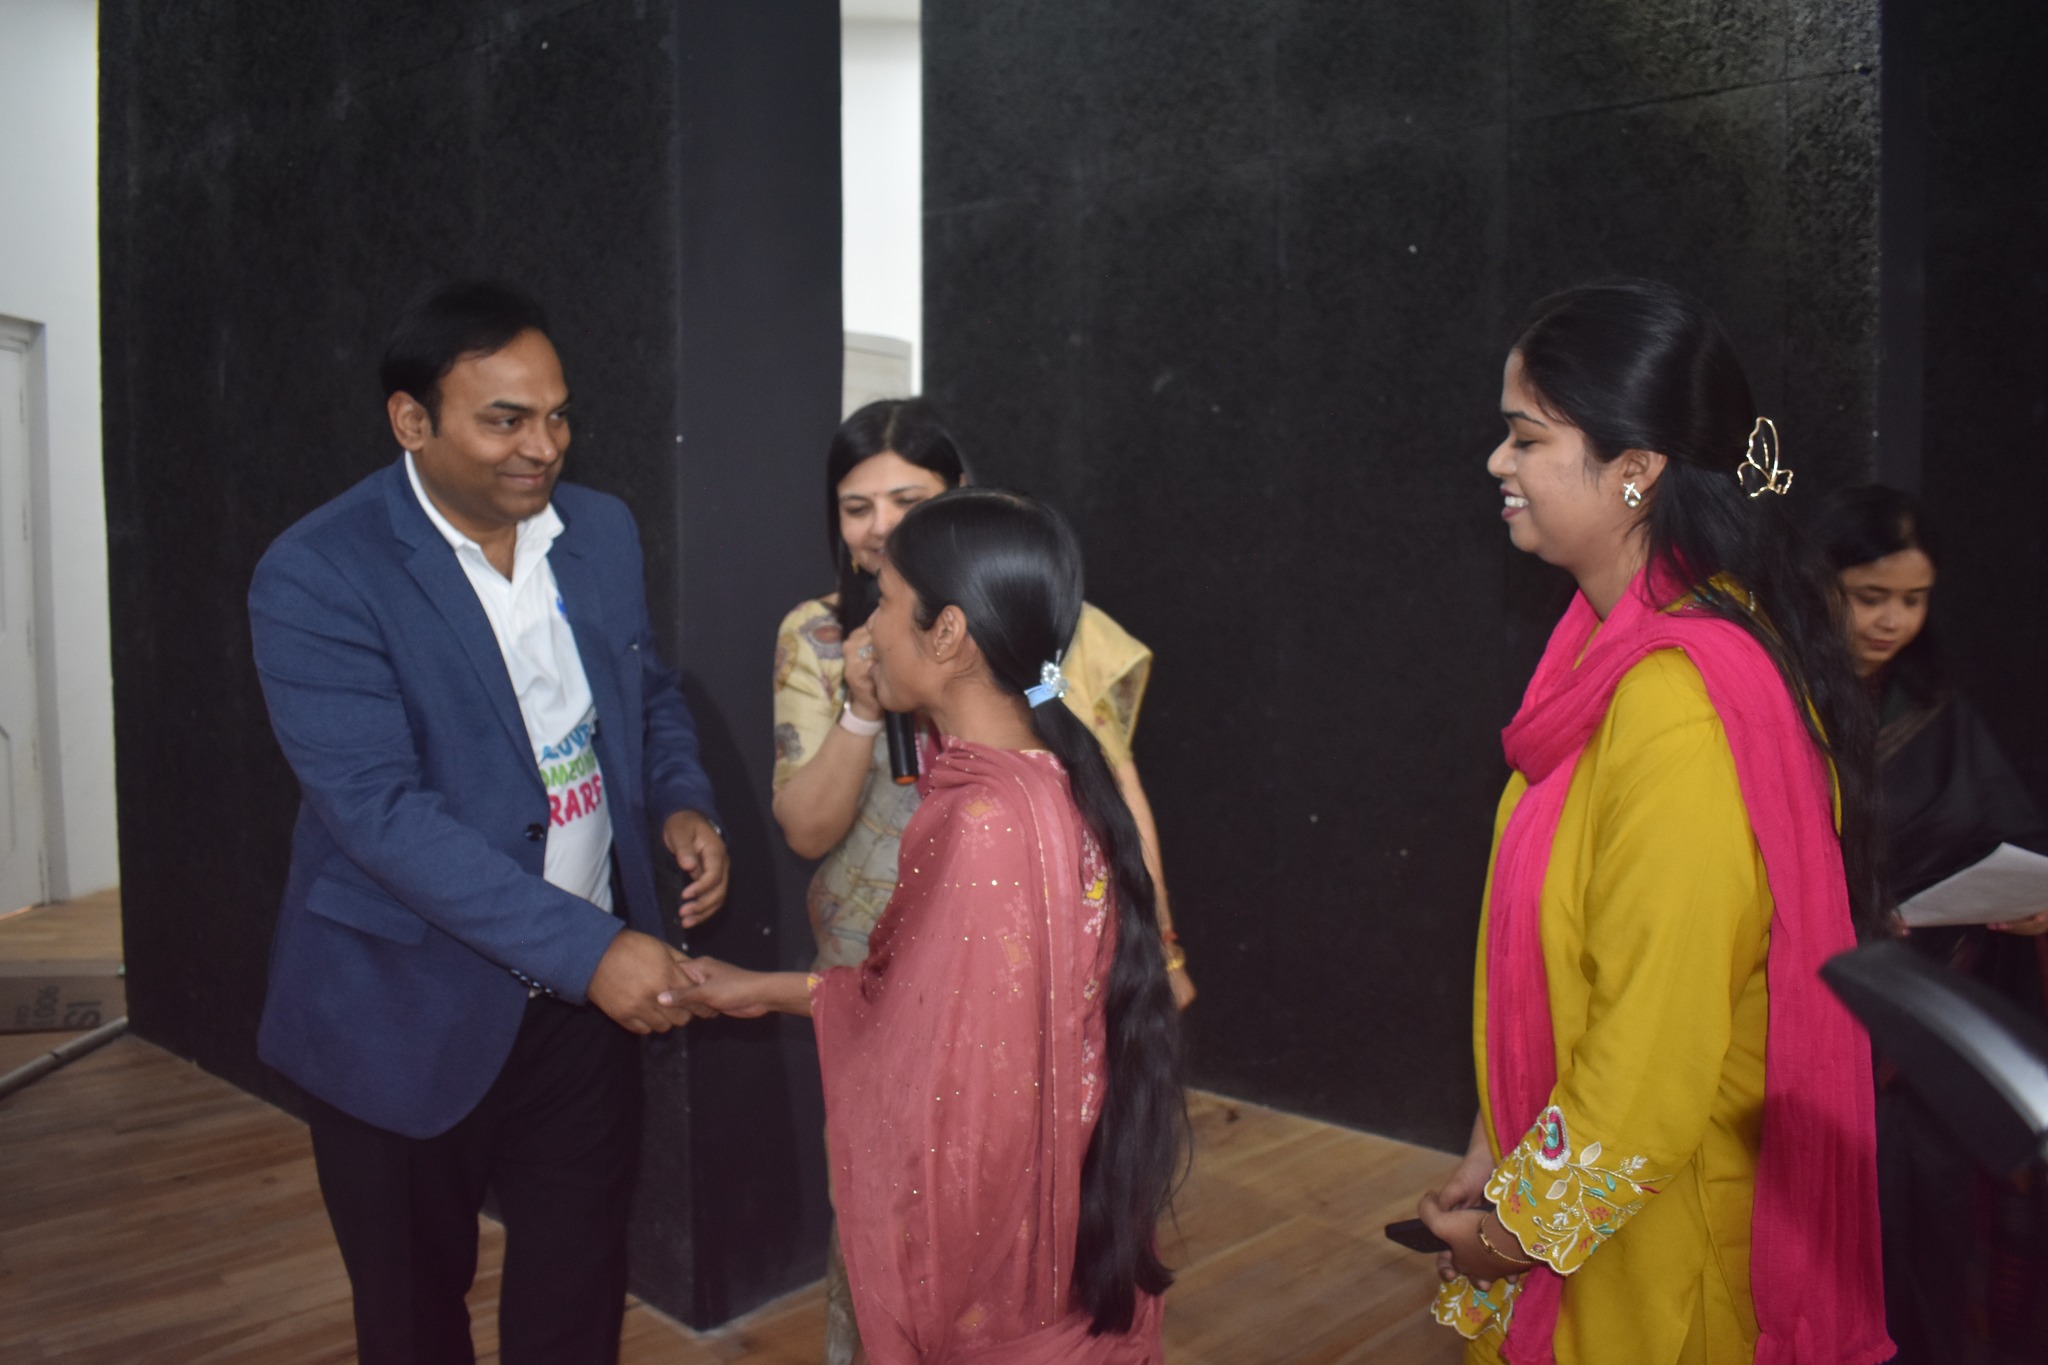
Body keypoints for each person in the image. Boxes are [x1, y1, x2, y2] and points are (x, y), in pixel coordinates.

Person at [247, 280, 727, 1365]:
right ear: (410, 419)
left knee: (577, 1295)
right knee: (414, 1316)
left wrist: (681, 797)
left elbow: (645, 690)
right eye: (505, 419)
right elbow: (379, 813)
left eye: (556, 416)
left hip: (579, 1017)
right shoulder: (318, 573)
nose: (541, 446)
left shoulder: (599, 530)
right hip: (403, 1007)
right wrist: (592, 949)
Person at [1417, 279, 1891, 1364]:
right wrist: (1493, 1144)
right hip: (1601, 1207)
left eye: (1525, 437)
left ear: (1633, 469)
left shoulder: (1679, 707)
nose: (1496, 462)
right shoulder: (1596, 653)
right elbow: (1561, 969)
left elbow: (1648, 1060)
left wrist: (1512, 1233)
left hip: (1655, 1254)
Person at [683, 488, 1183, 1363]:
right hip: (1063, 1242)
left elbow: (941, 1079)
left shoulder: (981, 820)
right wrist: (756, 989)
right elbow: (916, 1002)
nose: (869, 628)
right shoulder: (1052, 775)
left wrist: (761, 993)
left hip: (998, 1272)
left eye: (883, 601)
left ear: (947, 632)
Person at [1813, 485, 2048, 1363]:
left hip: (1929, 1021)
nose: (1893, 620)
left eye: (1913, 600)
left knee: (1936, 1225)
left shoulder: (1932, 703)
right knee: (1841, 1229)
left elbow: (2006, 828)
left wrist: (2027, 904)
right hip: (1819, 1009)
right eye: (1870, 596)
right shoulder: (1782, 697)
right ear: (1822, 584)